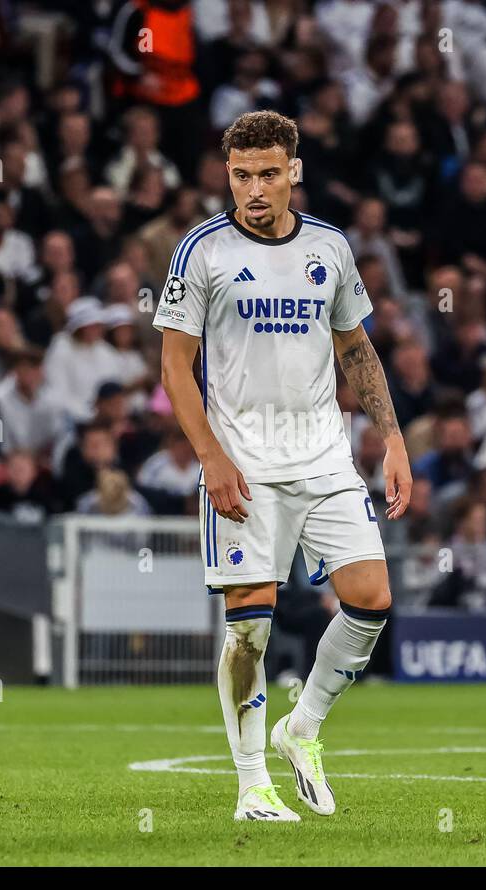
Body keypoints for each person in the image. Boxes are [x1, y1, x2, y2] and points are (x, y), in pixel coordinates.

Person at [154, 110, 411, 822]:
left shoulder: (329, 246)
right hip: (244, 462)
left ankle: (301, 729)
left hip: (325, 454)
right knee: (250, 629)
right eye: (241, 175)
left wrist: (391, 440)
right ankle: (250, 786)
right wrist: (211, 458)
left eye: (269, 173)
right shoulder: (200, 251)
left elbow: (355, 348)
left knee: (372, 600)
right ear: (226, 174)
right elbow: (175, 367)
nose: (255, 189)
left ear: (292, 170)